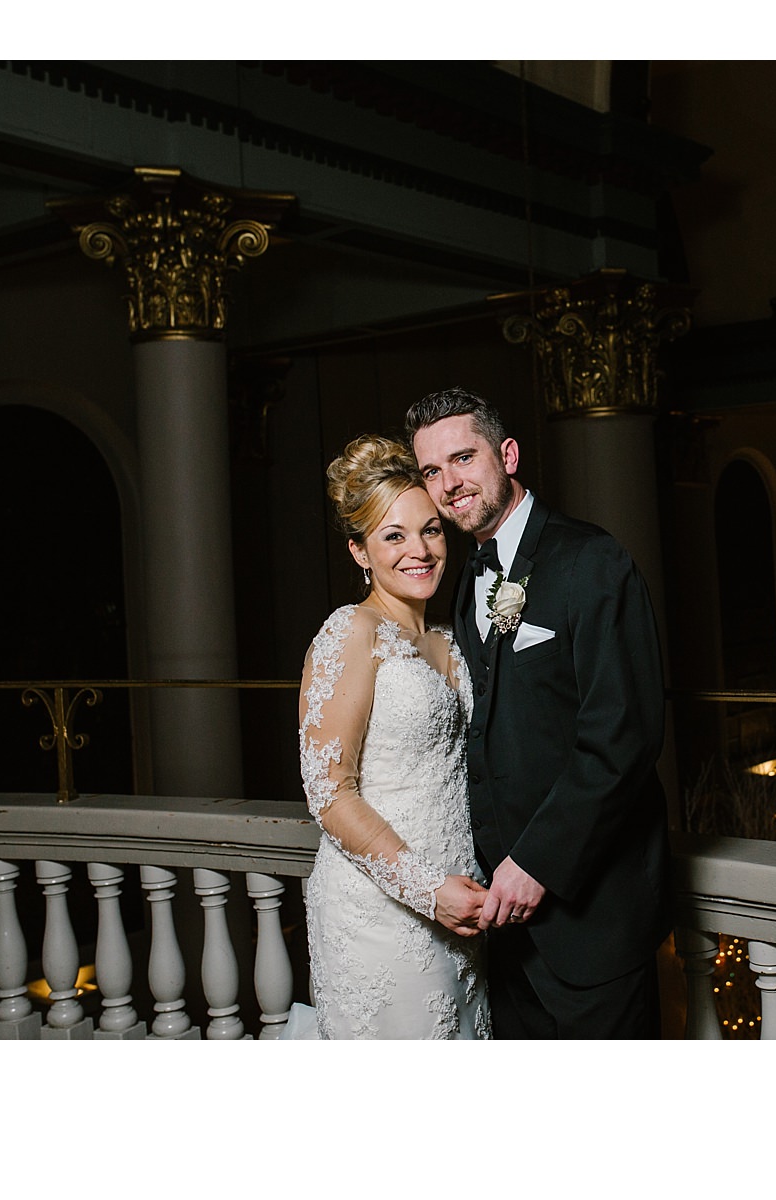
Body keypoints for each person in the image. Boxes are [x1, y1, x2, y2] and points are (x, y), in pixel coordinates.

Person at [406, 386, 671, 1039]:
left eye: (463, 459)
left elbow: (624, 737)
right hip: (504, 937)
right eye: (432, 472)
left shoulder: (592, 561)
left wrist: (540, 862)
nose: (449, 484)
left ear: (509, 454)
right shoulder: (468, 579)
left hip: (593, 928)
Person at [287, 433, 491, 1039]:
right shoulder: (349, 632)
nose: (419, 551)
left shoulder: (450, 637)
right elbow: (329, 792)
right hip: (380, 910)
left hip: (463, 902)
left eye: (429, 529)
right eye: (393, 536)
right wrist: (429, 891)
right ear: (359, 552)